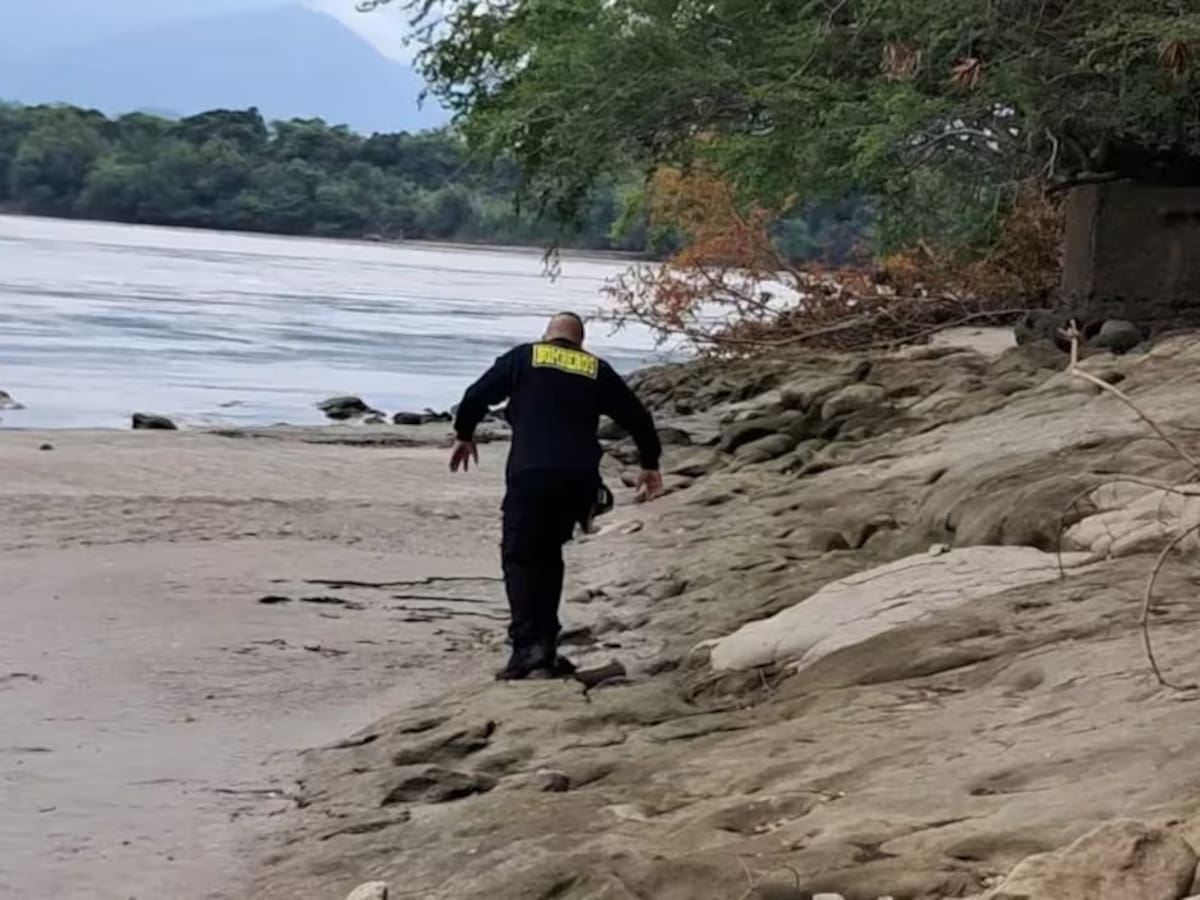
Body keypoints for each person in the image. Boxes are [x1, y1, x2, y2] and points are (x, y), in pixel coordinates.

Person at [450, 312, 663, 680]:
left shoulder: (524, 357)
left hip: (531, 474)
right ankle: (545, 648)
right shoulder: (596, 368)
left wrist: (464, 434)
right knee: (548, 556)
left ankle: (527, 651)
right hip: (578, 481)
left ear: (546, 336)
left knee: (520, 557)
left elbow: (475, 397)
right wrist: (650, 463)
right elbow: (638, 417)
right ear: (580, 342)